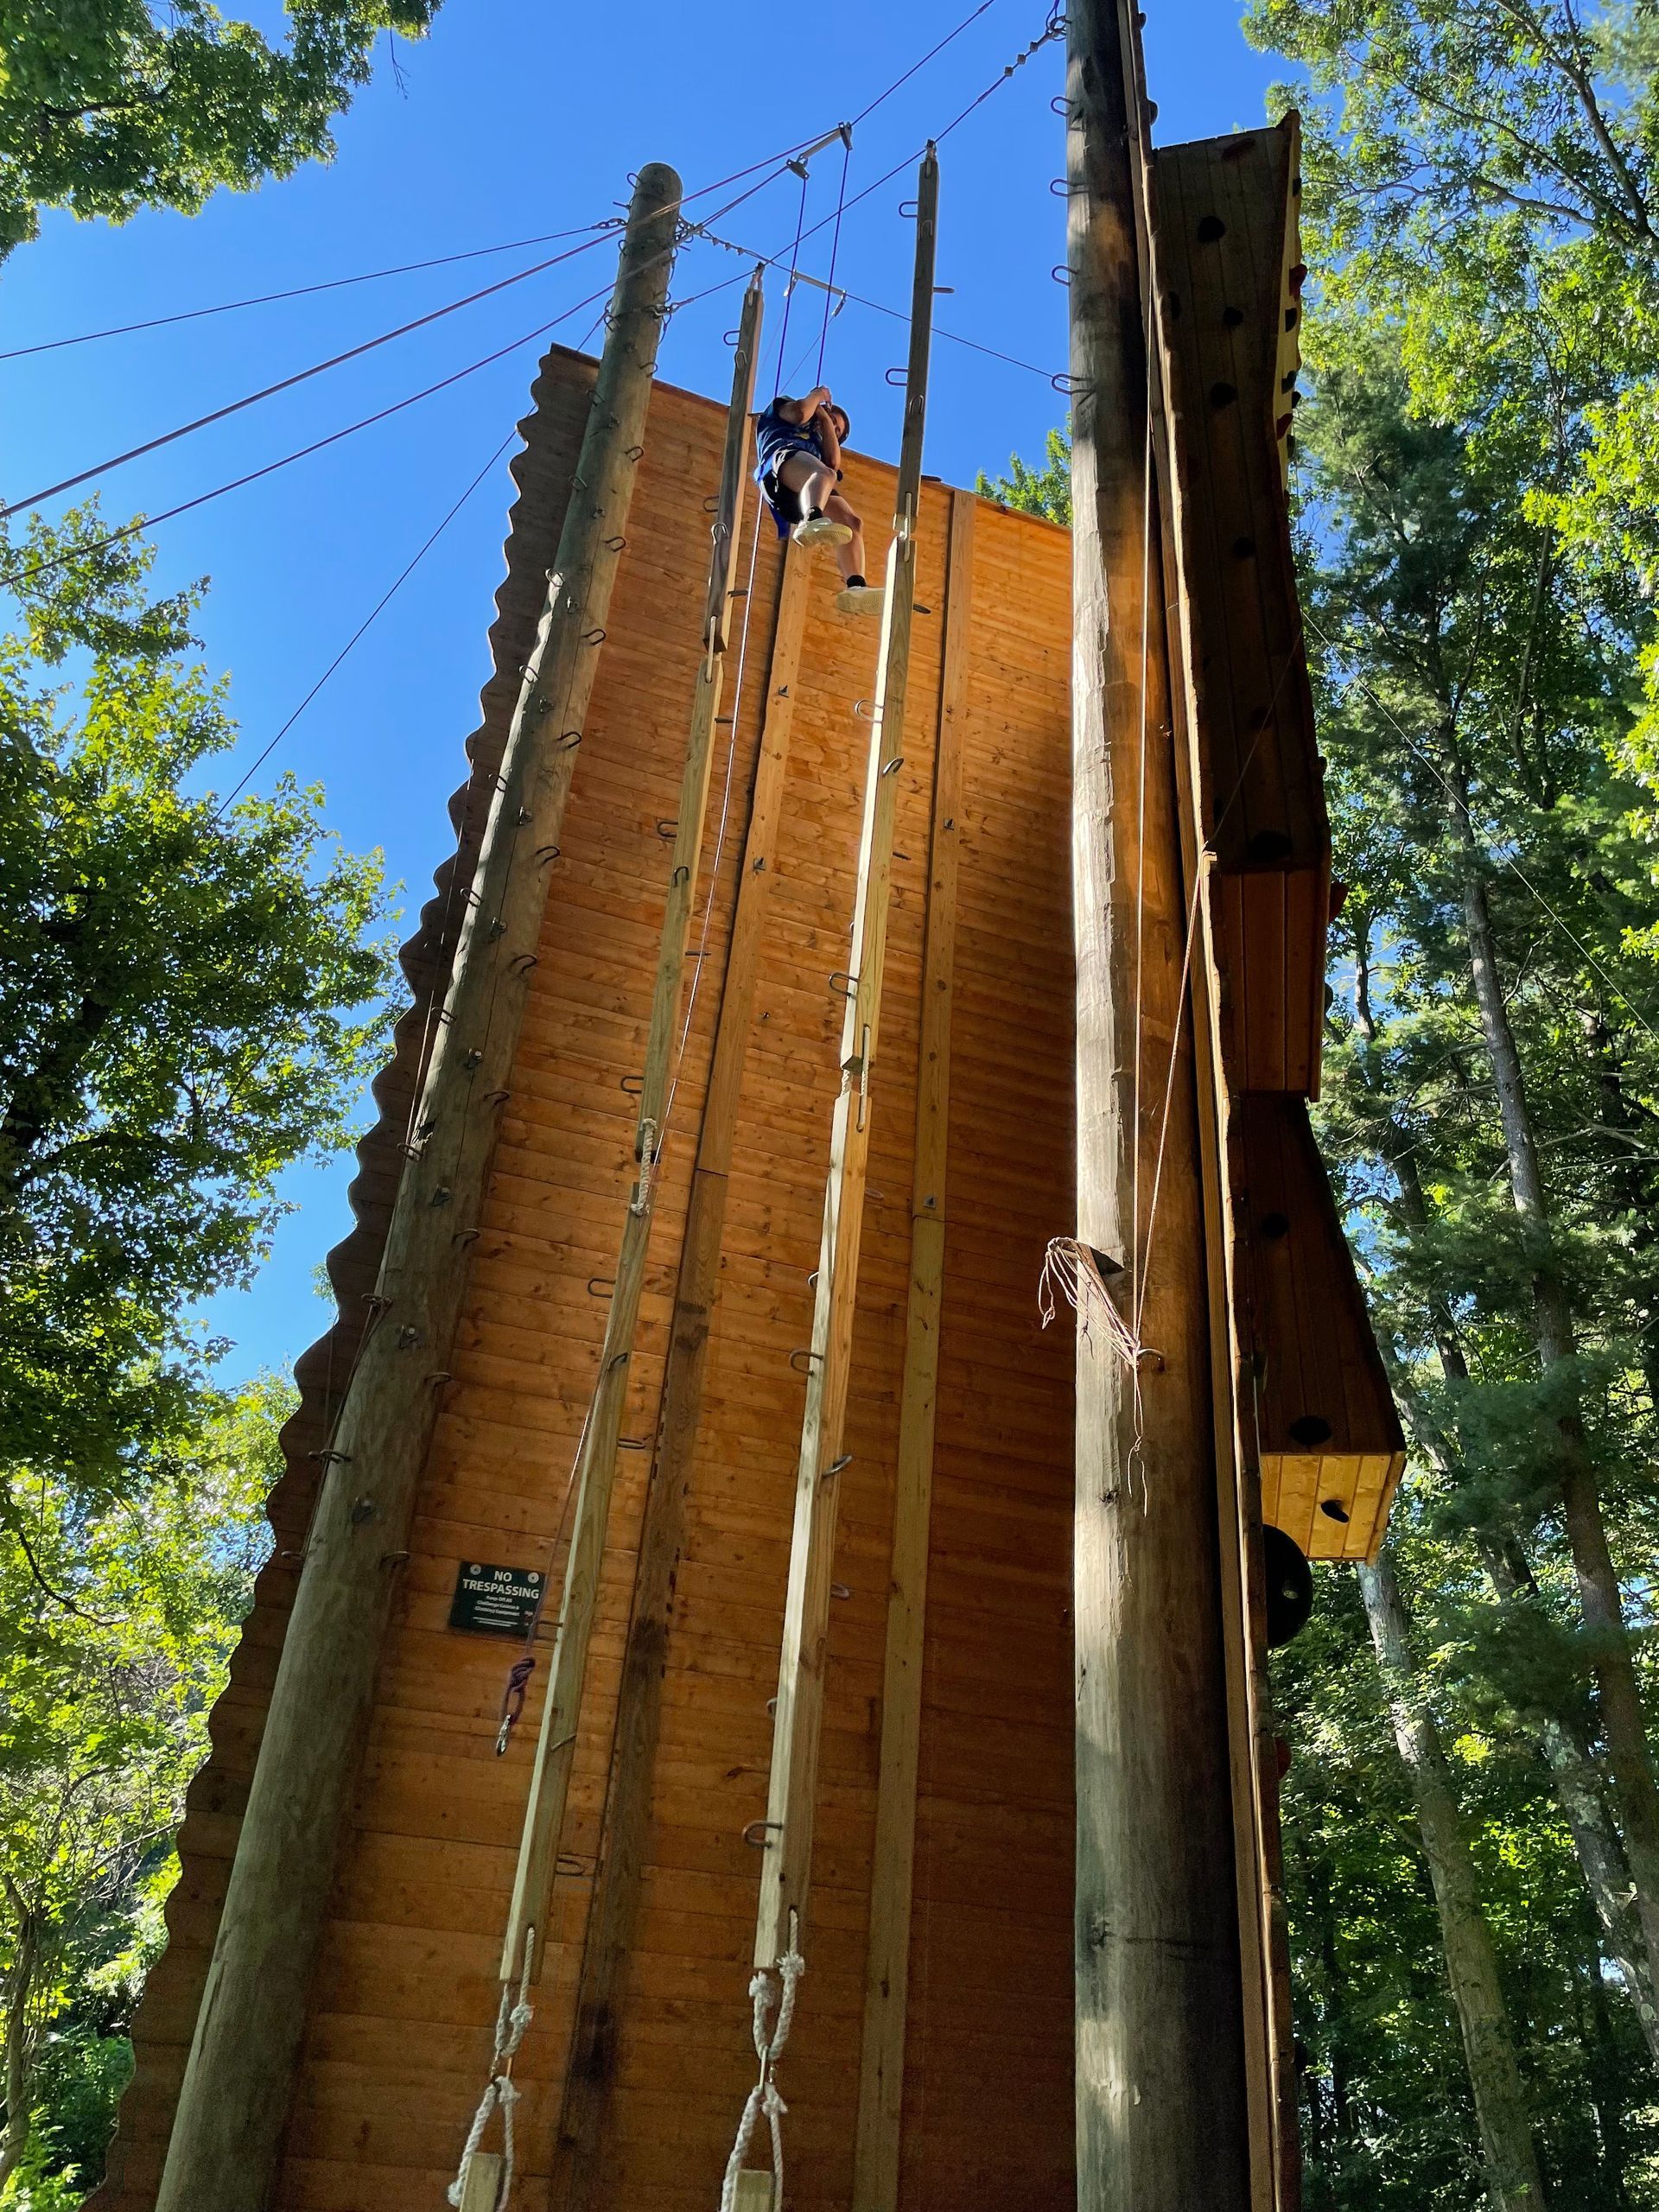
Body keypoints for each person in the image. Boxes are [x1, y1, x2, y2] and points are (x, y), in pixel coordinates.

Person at [753, 385, 883, 617]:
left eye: (837, 430)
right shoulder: (783, 411)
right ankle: (810, 520)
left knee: (852, 523)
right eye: (832, 419)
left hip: (809, 486)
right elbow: (801, 413)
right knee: (824, 475)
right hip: (779, 467)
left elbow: (833, 463)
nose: (831, 426)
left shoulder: (818, 448)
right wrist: (818, 397)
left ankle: (855, 586)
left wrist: (826, 424)